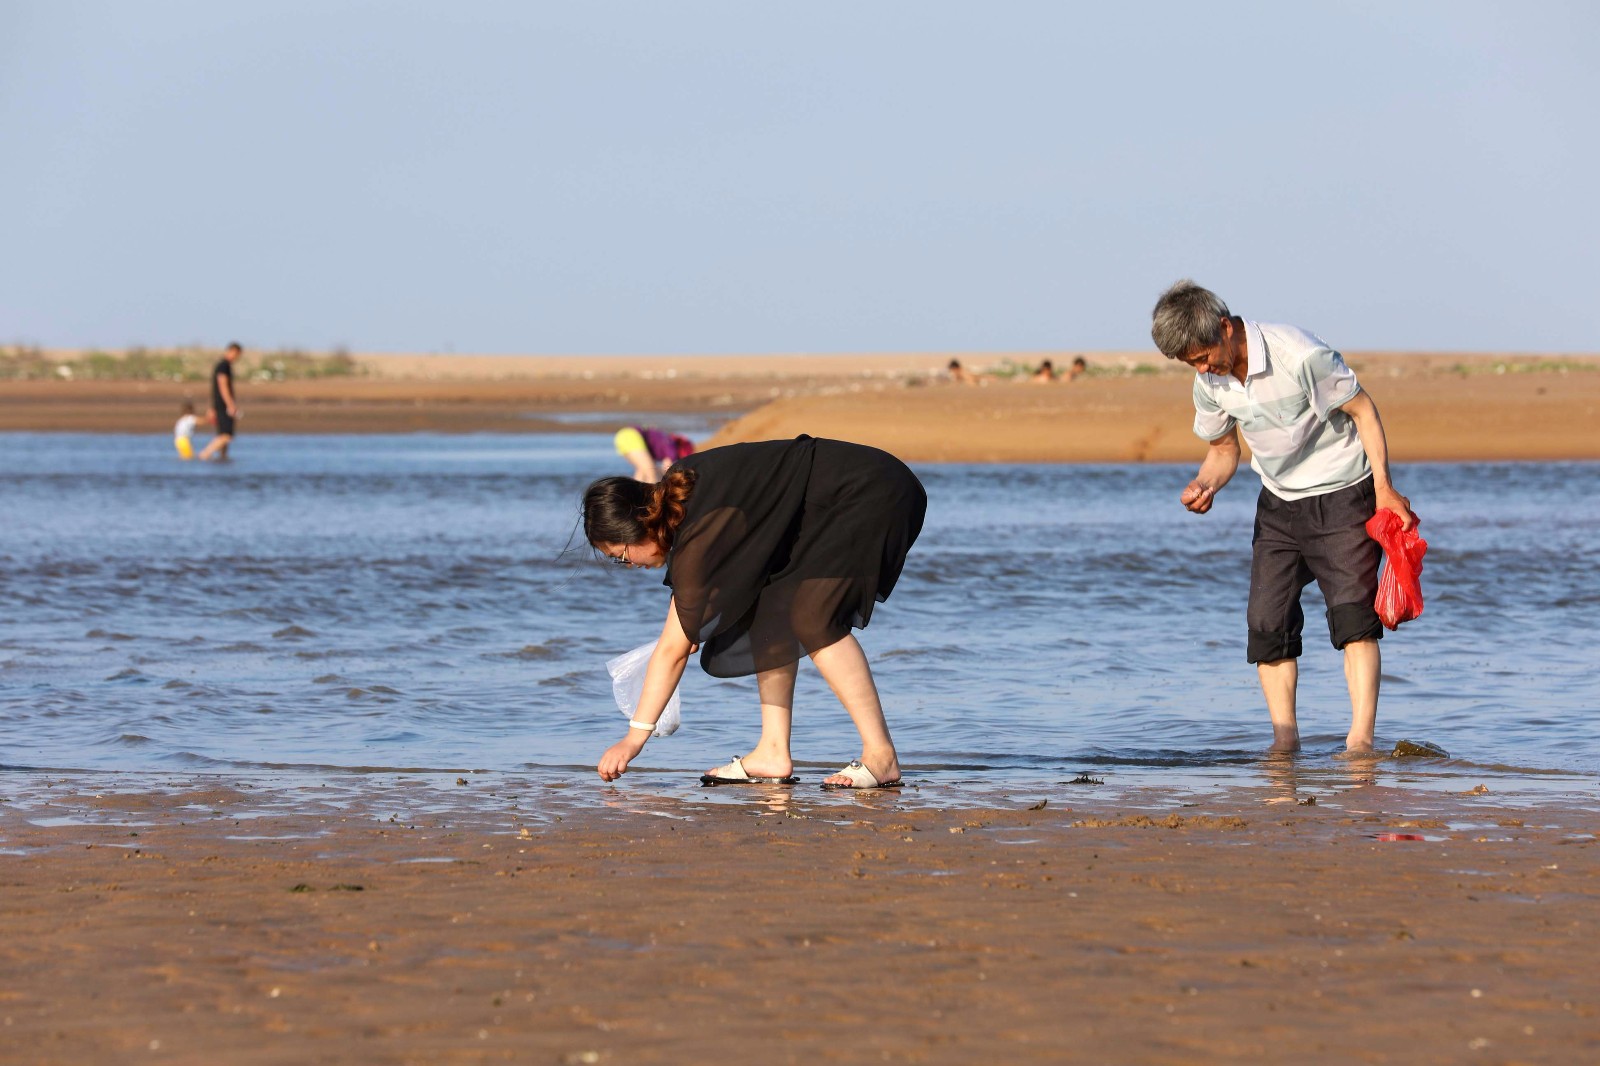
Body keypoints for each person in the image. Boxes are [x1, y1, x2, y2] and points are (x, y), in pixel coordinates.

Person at [1150, 280, 1416, 754]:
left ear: (1225, 328)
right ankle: (1284, 741)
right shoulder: (1209, 382)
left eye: (1202, 356)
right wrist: (1206, 483)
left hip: (1342, 493)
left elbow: (1364, 412)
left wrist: (1383, 490)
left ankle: (1359, 743)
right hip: (1277, 502)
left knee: (1354, 618)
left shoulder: (1299, 354)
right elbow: (1222, 449)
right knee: (1266, 623)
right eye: (1190, 363)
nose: (1201, 368)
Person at [583, 435, 926, 789]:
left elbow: (674, 649)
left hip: (867, 489)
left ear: (638, 526)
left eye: (620, 556)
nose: (627, 566)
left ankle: (881, 755)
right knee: (766, 611)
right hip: (829, 502)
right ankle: (772, 751)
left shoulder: (698, 530)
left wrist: (633, 739)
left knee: (814, 618)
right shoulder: (684, 498)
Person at [197, 343, 242, 461]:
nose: (236, 357)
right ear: (231, 351)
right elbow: (222, 385)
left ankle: (223, 457)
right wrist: (230, 404)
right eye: (236, 354)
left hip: (219, 404)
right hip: (223, 405)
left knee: (223, 434)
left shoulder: (222, 365)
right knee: (226, 435)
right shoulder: (224, 366)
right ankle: (204, 454)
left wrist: (212, 407)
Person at [613, 425, 695, 483]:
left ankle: (634, 495)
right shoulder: (672, 447)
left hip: (622, 435)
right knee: (651, 471)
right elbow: (668, 469)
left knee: (642, 470)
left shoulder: (666, 439)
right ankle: (651, 499)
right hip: (632, 435)